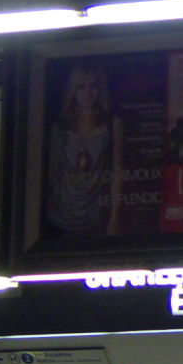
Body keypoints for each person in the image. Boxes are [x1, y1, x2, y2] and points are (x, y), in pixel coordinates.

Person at [46, 61, 126, 236]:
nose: (88, 94)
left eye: (93, 86)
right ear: (73, 91)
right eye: (81, 87)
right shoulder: (60, 128)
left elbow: (117, 172)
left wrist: (114, 219)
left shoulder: (112, 125)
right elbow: (52, 174)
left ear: (100, 89)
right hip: (59, 217)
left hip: (97, 217)